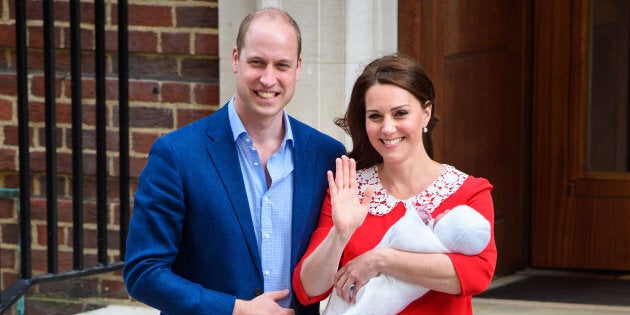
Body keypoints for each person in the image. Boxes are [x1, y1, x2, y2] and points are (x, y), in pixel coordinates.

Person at [123, 8, 345, 315]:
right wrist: (235, 309)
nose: (269, 78)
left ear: (298, 67)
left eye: (281, 65)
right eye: (257, 62)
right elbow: (143, 272)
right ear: (235, 59)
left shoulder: (327, 156)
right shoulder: (177, 154)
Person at [292, 53, 496, 314]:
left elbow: (477, 275)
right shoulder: (348, 190)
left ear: (426, 113)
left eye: (400, 113)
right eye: (375, 116)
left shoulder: (469, 191)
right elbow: (308, 289)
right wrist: (339, 235)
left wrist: (380, 260)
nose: (387, 129)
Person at [322, 204, 491, 314]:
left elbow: (401, 237)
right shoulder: (439, 243)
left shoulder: (431, 245)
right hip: (366, 284)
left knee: (369, 304)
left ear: (447, 229)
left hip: (389, 289)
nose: (446, 210)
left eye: (449, 215)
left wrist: (414, 218)